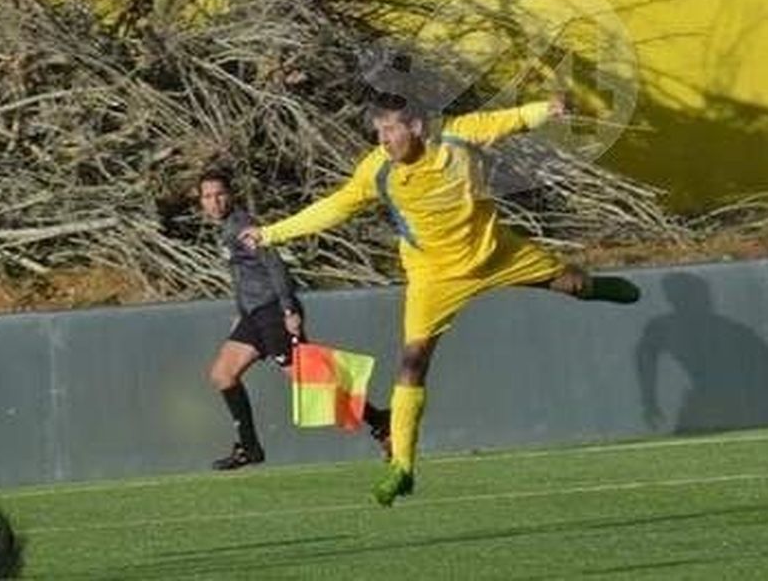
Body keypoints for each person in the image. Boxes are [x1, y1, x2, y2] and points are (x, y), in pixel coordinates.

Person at [241, 93, 642, 505]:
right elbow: (334, 207)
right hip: (433, 276)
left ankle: (595, 289)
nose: (383, 140)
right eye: (378, 132)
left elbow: (511, 119)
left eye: (390, 129)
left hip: (495, 253)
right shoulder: (377, 170)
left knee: (572, 285)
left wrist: (548, 109)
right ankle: (402, 466)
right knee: (413, 362)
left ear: (416, 126)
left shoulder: (457, 135)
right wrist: (271, 233)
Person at [199, 168, 390, 470]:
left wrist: (289, 310)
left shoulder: (242, 225)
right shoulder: (225, 229)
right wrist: (241, 312)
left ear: (231, 195)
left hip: (273, 312)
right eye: (208, 196)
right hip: (254, 315)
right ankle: (249, 447)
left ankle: (380, 421)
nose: (215, 201)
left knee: (309, 379)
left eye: (220, 194)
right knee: (222, 374)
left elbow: (275, 267)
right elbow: (242, 276)